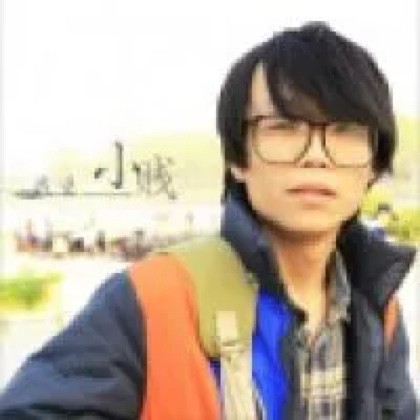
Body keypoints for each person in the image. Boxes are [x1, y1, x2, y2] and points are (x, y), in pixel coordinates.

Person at [0, 22, 417, 419]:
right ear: (237, 158)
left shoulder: (376, 308)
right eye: (284, 127)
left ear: (374, 165)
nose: (316, 155)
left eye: (344, 130)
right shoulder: (155, 298)